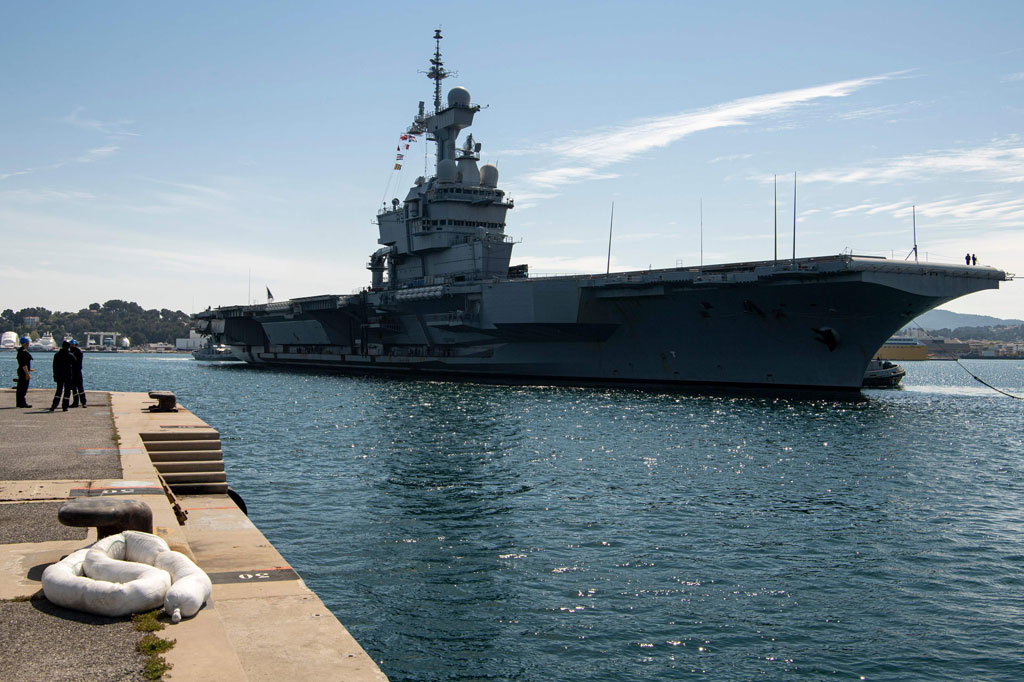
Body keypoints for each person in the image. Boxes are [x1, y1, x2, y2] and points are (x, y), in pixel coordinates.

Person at [50, 340, 75, 412]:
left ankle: (54, 405)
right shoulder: (70, 355)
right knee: (67, 391)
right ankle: (65, 406)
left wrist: (54, 375)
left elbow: (54, 366)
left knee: (58, 391)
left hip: (59, 375)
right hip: (67, 375)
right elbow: (75, 361)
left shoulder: (57, 355)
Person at [69, 339, 86, 408]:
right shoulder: (72, 352)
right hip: (72, 371)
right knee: (74, 388)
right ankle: (75, 402)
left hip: (77, 371)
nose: (72, 346)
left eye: (73, 345)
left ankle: (83, 402)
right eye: (71, 345)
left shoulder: (78, 352)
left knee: (80, 387)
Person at [16, 336, 32, 408]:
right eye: (28, 343)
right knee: (23, 387)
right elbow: (24, 364)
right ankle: (23, 403)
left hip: (21, 371)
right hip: (24, 372)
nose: (28, 344)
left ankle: (19, 402)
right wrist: (27, 373)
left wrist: (29, 369)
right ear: (25, 343)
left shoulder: (20, 351)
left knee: (20, 387)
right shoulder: (23, 352)